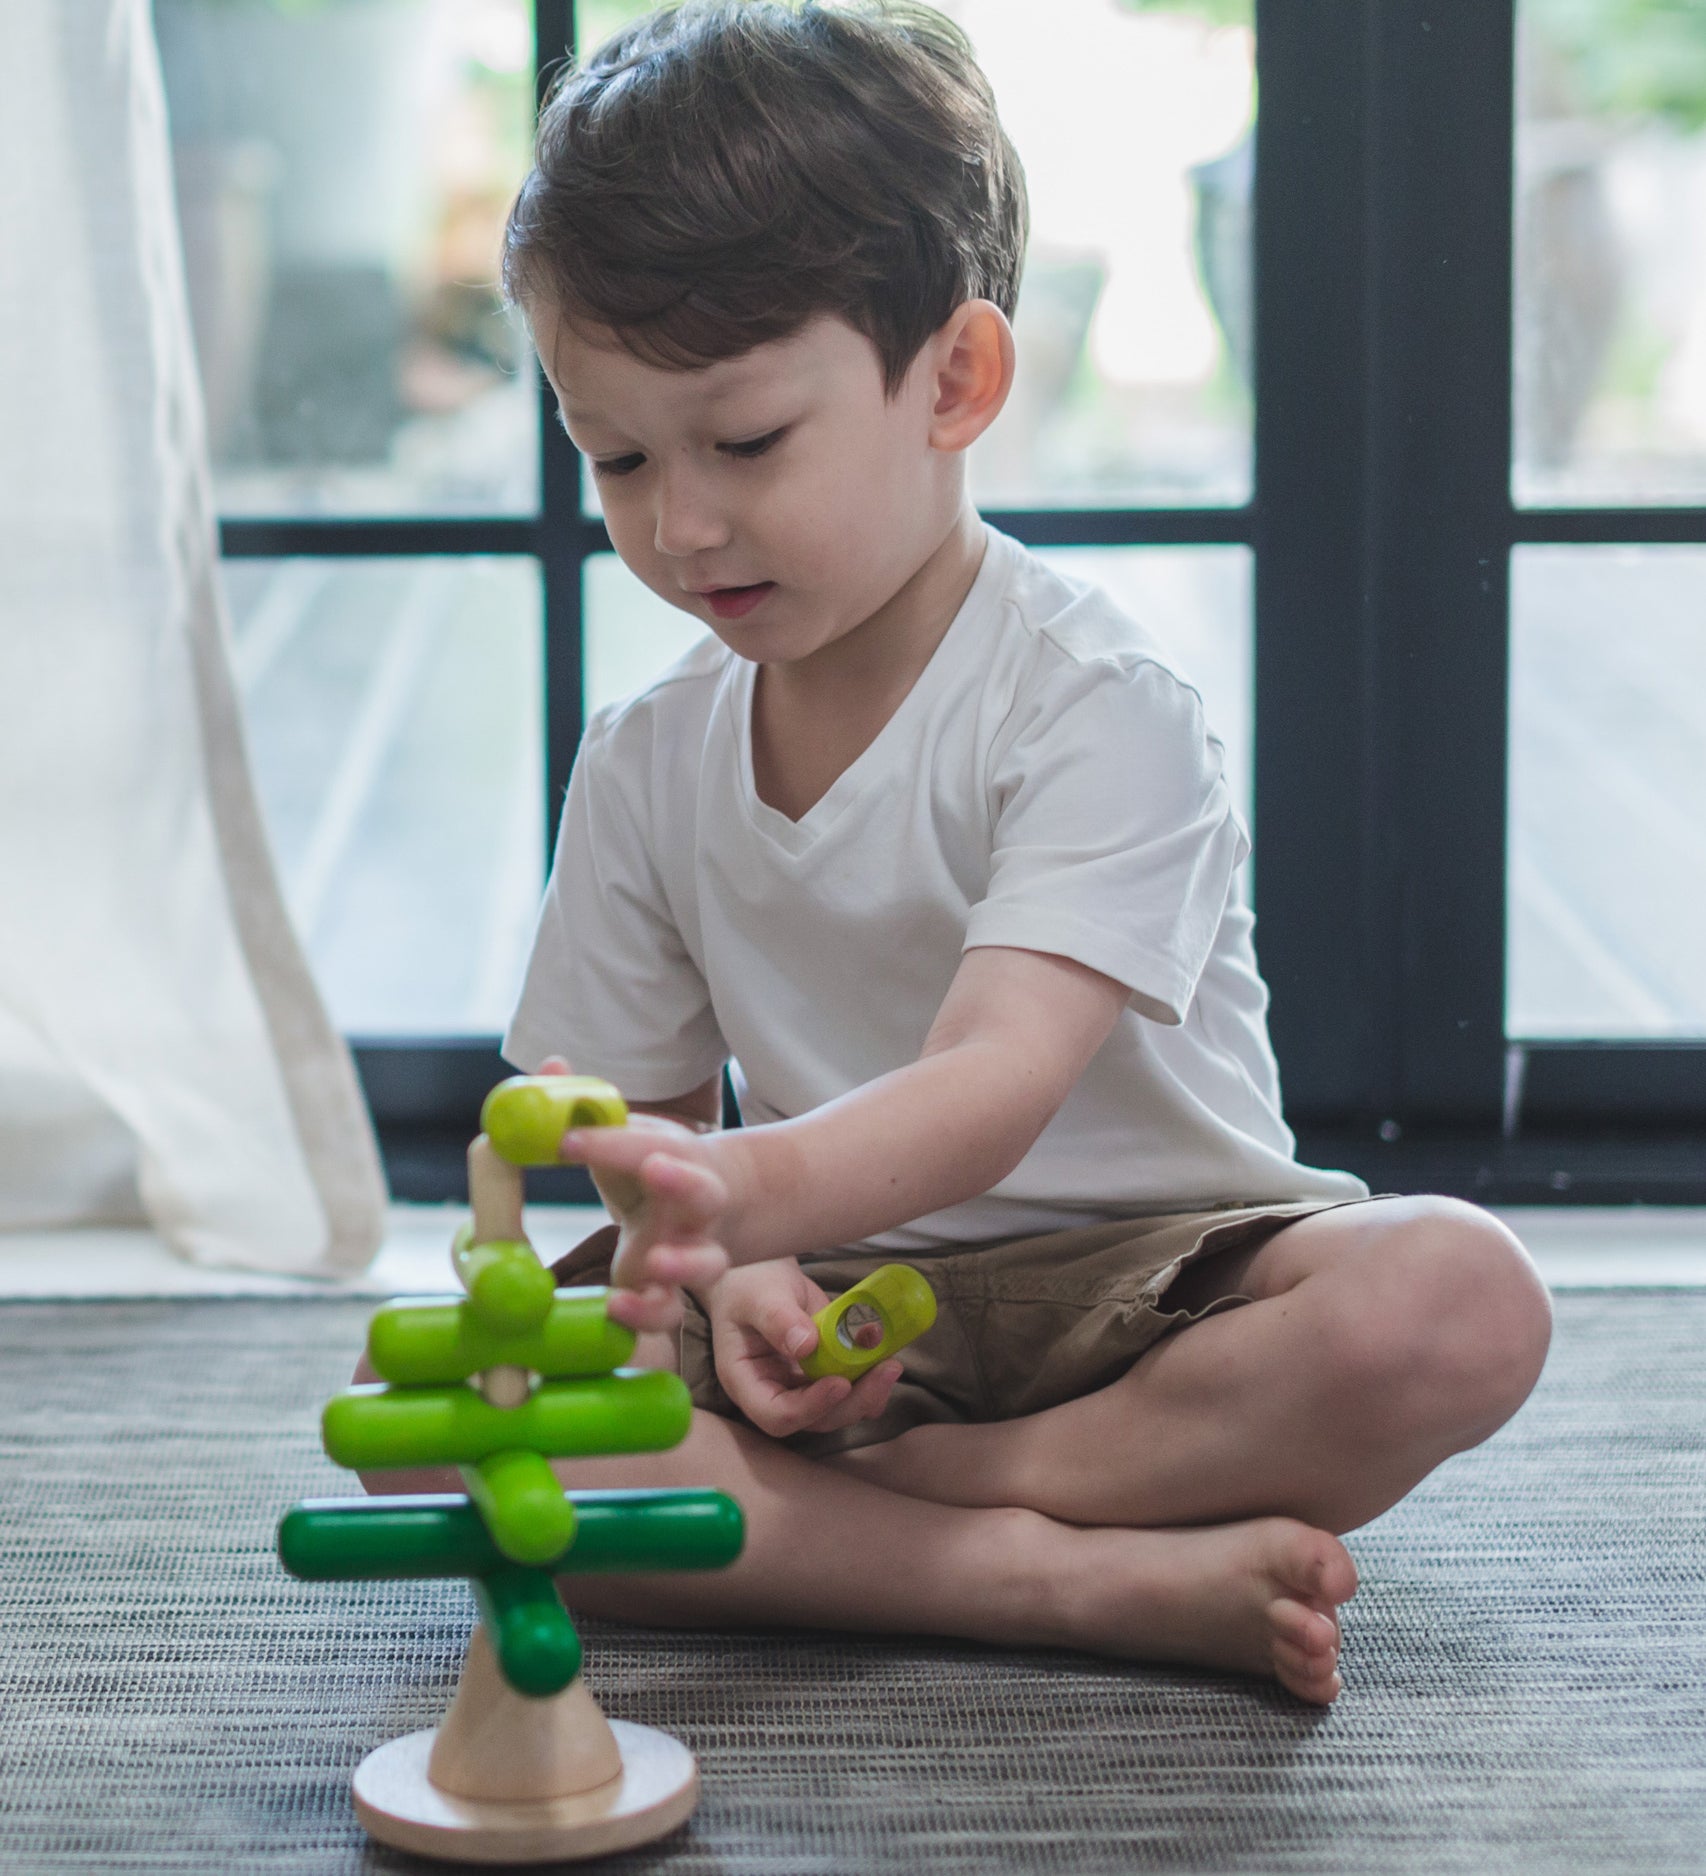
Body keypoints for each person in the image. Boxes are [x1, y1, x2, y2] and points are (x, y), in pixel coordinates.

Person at [367, 0, 1553, 1706]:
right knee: (421, 1424)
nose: (678, 521)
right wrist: (745, 1264)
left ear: (957, 380)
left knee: (1454, 1299)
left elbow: (993, 1080)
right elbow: (645, 1125)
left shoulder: (1091, 703)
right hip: (830, 1289)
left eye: (746, 442)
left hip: (1147, 1297)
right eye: (615, 456)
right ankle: (1036, 1582)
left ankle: (942, 1506)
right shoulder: (645, 756)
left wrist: (743, 1198)